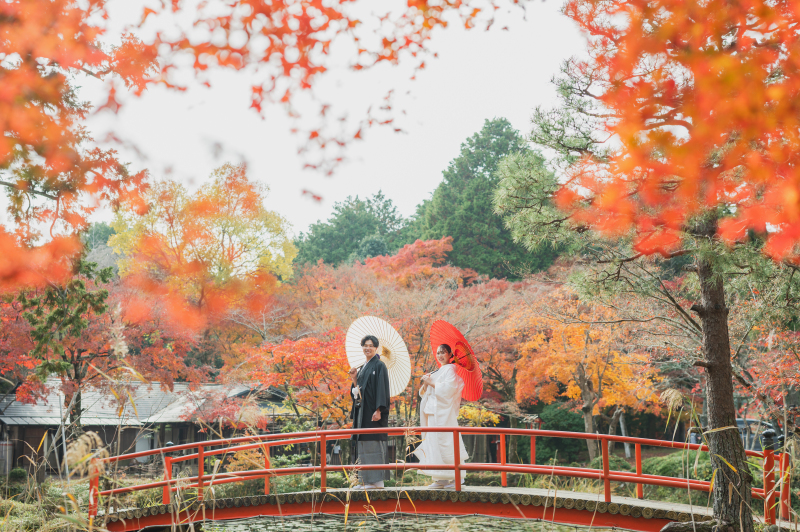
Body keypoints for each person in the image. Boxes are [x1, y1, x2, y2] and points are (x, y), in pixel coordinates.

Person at [414, 343, 469, 488]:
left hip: (443, 414)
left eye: (443, 352)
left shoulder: (450, 370)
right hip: (433, 412)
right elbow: (425, 392)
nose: (440, 355)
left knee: (447, 443)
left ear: (450, 355)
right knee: (434, 444)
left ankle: (457, 478)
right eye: (438, 353)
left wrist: (431, 383)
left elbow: (449, 391)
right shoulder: (439, 370)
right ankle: (441, 478)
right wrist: (426, 384)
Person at [349, 335, 391, 489]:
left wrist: (379, 409)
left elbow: (382, 389)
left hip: (373, 413)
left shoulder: (379, 366)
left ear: (376, 348)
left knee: (373, 444)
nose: (368, 348)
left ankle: (377, 482)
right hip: (362, 413)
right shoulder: (363, 367)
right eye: (365, 345)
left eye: (371, 345)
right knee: (363, 445)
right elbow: (358, 392)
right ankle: (365, 480)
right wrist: (354, 378)